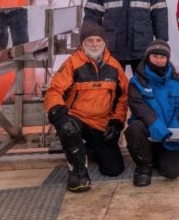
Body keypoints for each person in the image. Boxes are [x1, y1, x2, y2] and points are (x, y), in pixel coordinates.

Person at [45, 20, 128, 193]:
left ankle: (88, 148)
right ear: (82, 44)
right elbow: (54, 90)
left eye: (98, 40)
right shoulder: (72, 63)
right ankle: (78, 171)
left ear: (104, 43)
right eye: (90, 41)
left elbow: (123, 97)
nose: (94, 44)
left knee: (114, 169)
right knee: (69, 129)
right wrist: (59, 115)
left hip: (100, 123)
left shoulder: (114, 66)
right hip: (77, 120)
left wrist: (116, 123)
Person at [125, 39, 179, 187]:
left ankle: (157, 156)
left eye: (163, 57)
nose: (159, 60)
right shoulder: (136, 82)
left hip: (170, 133)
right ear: (148, 57)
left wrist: (178, 125)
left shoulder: (178, 81)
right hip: (148, 130)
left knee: (173, 172)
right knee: (134, 128)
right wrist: (157, 126)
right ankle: (143, 165)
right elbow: (139, 107)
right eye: (155, 56)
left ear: (167, 59)